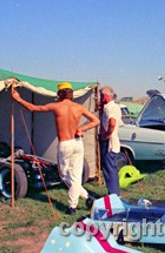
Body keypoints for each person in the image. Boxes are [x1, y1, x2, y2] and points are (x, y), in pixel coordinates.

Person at [12, 82, 100, 215]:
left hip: (65, 144)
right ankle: (87, 198)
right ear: (71, 94)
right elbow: (96, 121)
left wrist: (18, 99)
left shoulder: (56, 106)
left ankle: (73, 207)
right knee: (75, 177)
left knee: (64, 175)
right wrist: (81, 128)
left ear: (59, 94)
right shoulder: (78, 107)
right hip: (77, 142)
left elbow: (33, 108)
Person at [98, 86, 122, 196]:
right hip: (111, 141)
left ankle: (113, 194)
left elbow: (112, 123)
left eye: (101, 96)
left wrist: (107, 135)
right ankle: (113, 192)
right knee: (109, 168)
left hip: (109, 143)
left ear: (105, 95)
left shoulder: (111, 108)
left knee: (109, 169)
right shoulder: (109, 107)